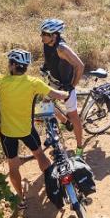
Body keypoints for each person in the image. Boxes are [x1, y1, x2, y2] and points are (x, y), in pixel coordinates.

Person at [0, 49, 70, 209]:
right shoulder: (33, 82)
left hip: (7, 133)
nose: (8, 65)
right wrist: (67, 92)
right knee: (39, 154)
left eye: (9, 62)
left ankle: (21, 199)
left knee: (13, 165)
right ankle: (52, 183)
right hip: (26, 130)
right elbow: (57, 94)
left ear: (13, 65)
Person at [39, 18, 85, 156]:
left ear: (53, 35)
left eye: (44, 34)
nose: (41, 36)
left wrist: (72, 86)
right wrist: (45, 67)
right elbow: (50, 58)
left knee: (74, 116)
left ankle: (79, 148)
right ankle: (65, 122)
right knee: (44, 107)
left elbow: (80, 66)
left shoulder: (62, 48)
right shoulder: (47, 44)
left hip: (65, 86)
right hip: (54, 82)